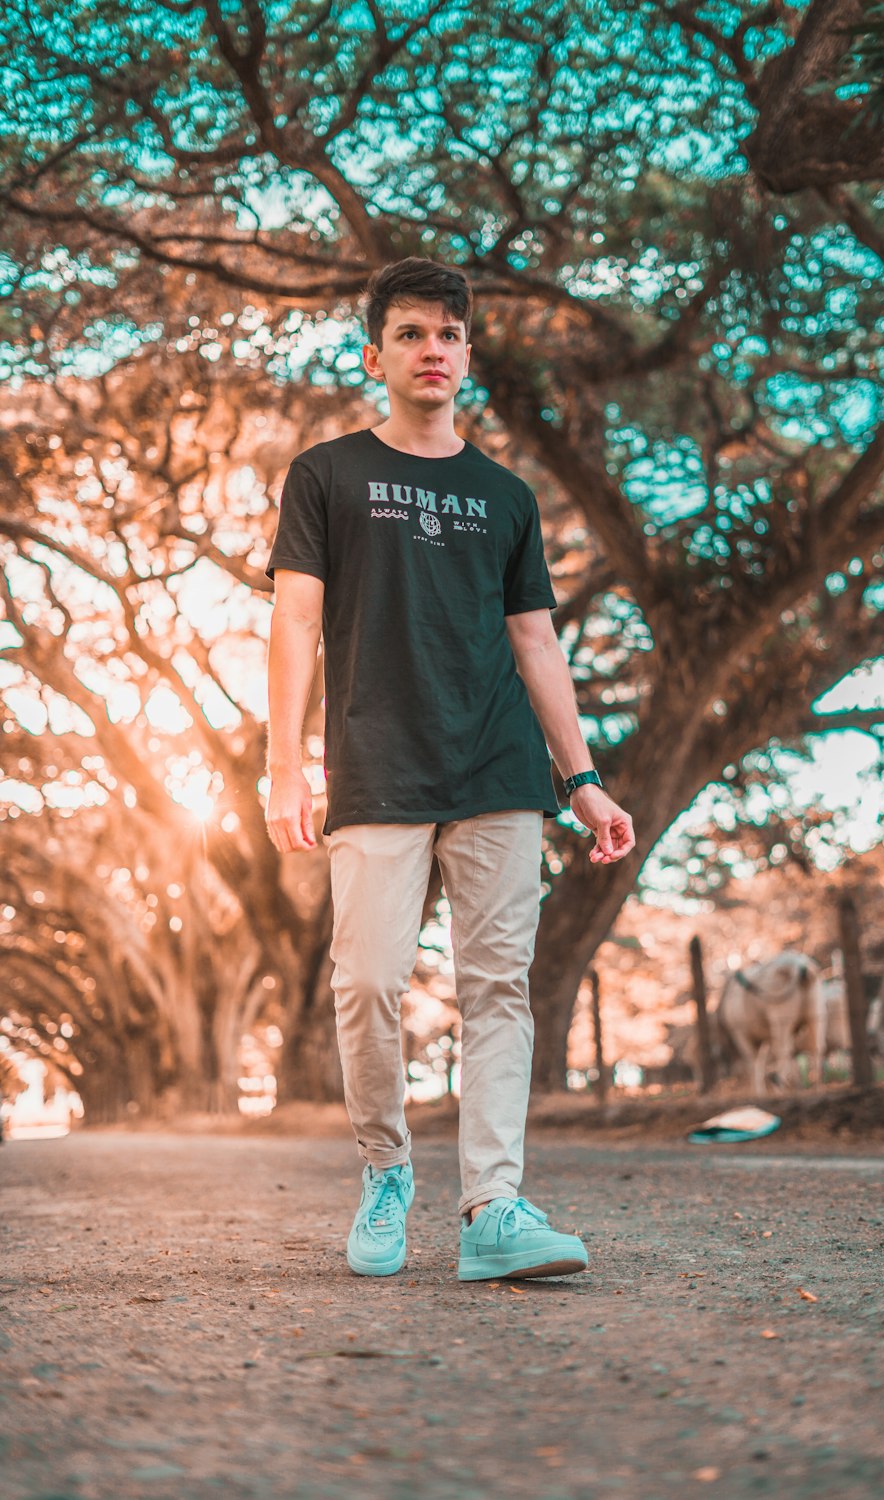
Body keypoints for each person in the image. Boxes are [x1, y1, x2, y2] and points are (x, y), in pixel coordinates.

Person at [264, 257, 634, 1281]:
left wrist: (582, 778)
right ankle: (387, 1170)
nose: (433, 350)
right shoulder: (326, 475)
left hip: (500, 771)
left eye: (450, 335)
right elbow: (294, 622)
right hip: (376, 766)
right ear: (375, 353)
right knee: (368, 983)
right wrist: (283, 764)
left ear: (468, 355)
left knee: (496, 988)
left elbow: (536, 644)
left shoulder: (504, 496)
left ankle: (493, 1210)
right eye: (413, 334)